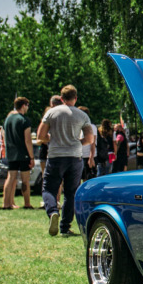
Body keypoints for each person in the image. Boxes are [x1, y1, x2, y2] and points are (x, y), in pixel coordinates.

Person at [37, 85, 93, 236]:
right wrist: (76, 143)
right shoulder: (82, 115)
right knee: (71, 192)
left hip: (55, 155)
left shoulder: (51, 113)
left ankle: (52, 212)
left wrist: (51, 138)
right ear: (76, 98)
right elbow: (89, 138)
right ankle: (65, 227)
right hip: (75, 157)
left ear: (61, 99)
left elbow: (40, 135)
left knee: (49, 188)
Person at [2, 97, 35, 210]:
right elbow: (28, 140)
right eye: (27, 106)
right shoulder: (24, 120)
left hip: (11, 153)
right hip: (23, 153)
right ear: (24, 105)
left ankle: (6, 203)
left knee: (10, 178)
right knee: (25, 179)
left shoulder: (8, 119)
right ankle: (27, 203)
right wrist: (32, 156)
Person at [78, 105, 96, 181]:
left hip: (87, 156)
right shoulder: (78, 127)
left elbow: (93, 143)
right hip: (80, 156)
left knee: (88, 178)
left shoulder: (91, 127)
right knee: (80, 178)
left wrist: (91, 158)